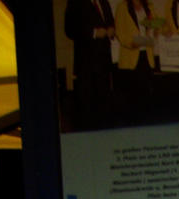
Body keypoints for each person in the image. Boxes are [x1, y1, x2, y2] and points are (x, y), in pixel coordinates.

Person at [64, 0, 116, 130]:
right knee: (87, 106)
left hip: (104, 62)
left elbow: (110, 21)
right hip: (86, 64)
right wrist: (93, 32)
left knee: (104, 104)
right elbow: (69, 29)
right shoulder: (75, 3)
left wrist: (111, 29)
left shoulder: (104, 2)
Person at [114, 0, 157, 124]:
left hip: (147, 57)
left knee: (146, 96)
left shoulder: (150, 7)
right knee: (132, 97)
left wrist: (156, 32)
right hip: (130, 57)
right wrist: (133, 43)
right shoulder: (122, 7)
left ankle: (145, 125)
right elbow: (120, 33)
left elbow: (156, 27)